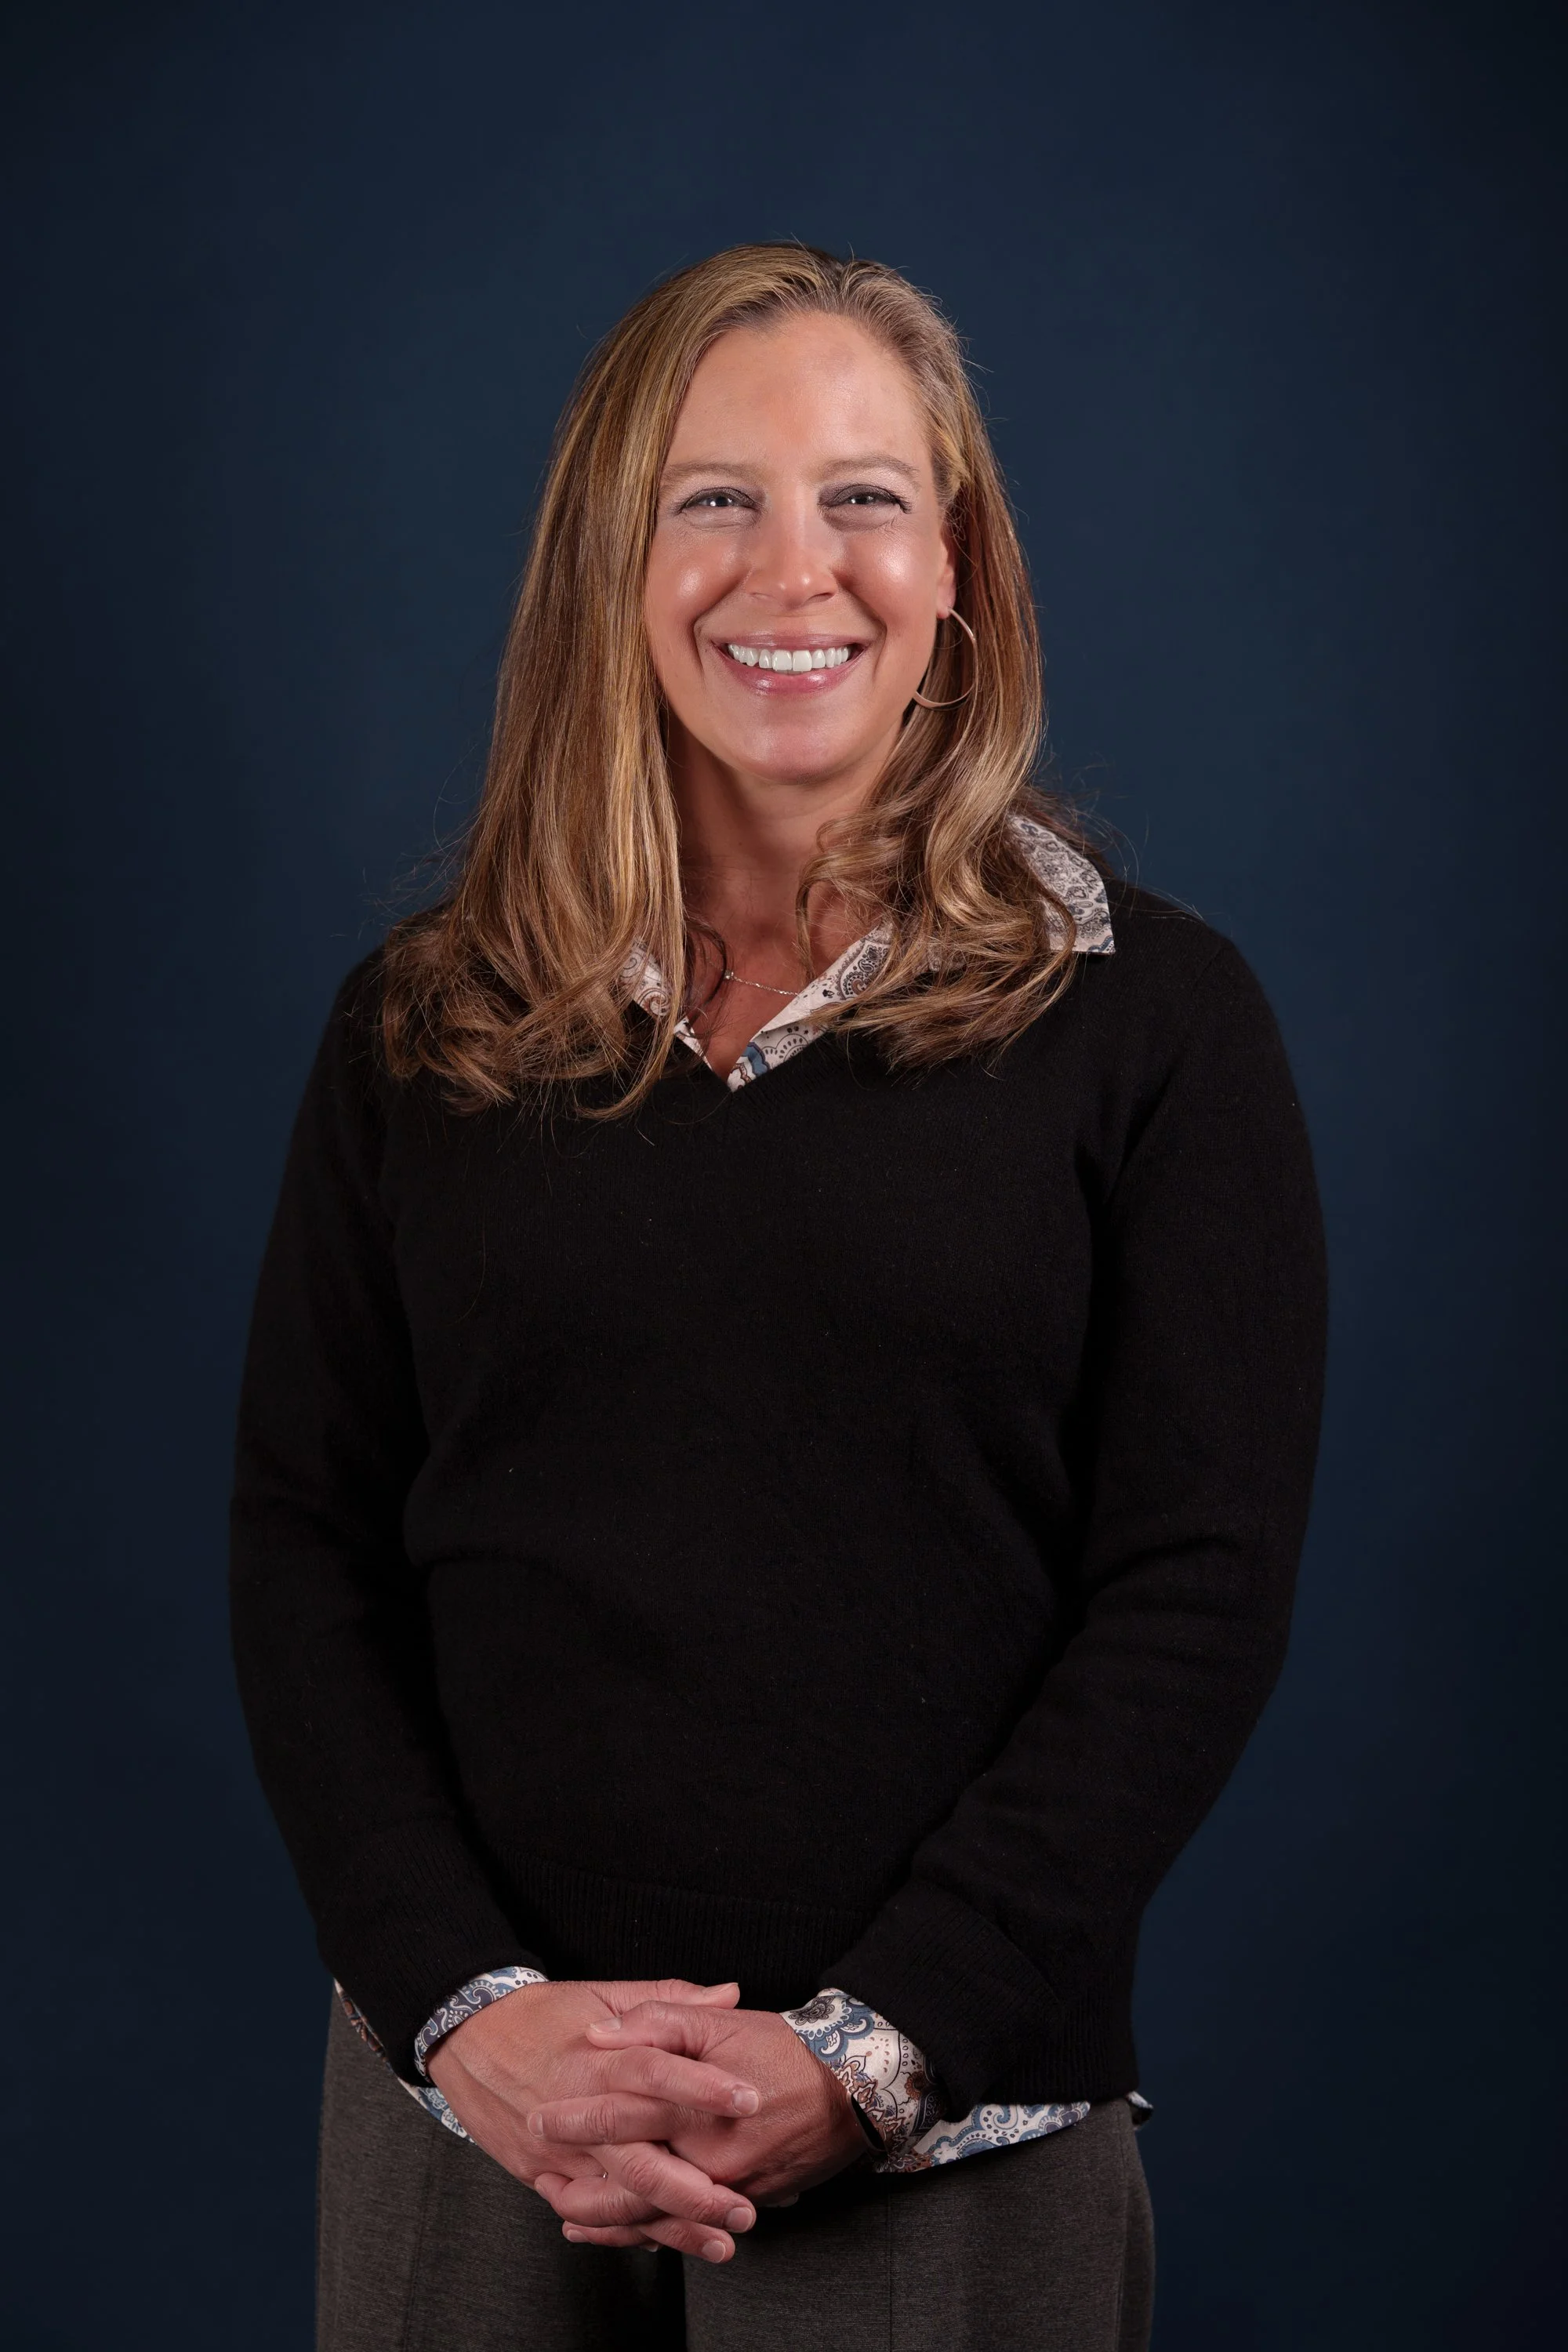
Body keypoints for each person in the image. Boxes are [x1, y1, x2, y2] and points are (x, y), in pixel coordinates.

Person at [230, 243, 1327, 2352]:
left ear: (961, 572)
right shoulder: (424, 1026)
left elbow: (1191, 1595)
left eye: (865, 497)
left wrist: (874, 2054)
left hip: (941, 2148)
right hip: (472, 2137)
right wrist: (470, 2016)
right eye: (712, 498)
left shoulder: (1157, 1027)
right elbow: (304, 1552)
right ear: (609, 567)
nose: (790, 568)